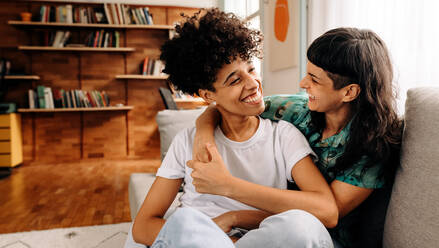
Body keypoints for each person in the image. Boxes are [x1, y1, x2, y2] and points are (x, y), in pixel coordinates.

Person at [124, 8, 338, 248]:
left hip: (253, 239)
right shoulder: (188, 140)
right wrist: (218, 239)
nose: (252, 83)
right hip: (199, 240)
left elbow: (327, 211)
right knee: (182, 224)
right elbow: (143, 226)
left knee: (301, 226)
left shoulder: (282, 135)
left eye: (251, 69)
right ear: (207, 94)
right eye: (234, 80)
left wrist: (229, 190)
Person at [191, 27, 403, 247]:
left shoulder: (374, 145)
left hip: (321, 237)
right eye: (307, 73)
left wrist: (233, 205)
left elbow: (325, 215)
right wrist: (203, 136)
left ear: (349, 92)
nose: (303, 84)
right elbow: (225, 106)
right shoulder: (295, 109)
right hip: (273, 226)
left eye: (314, 79)